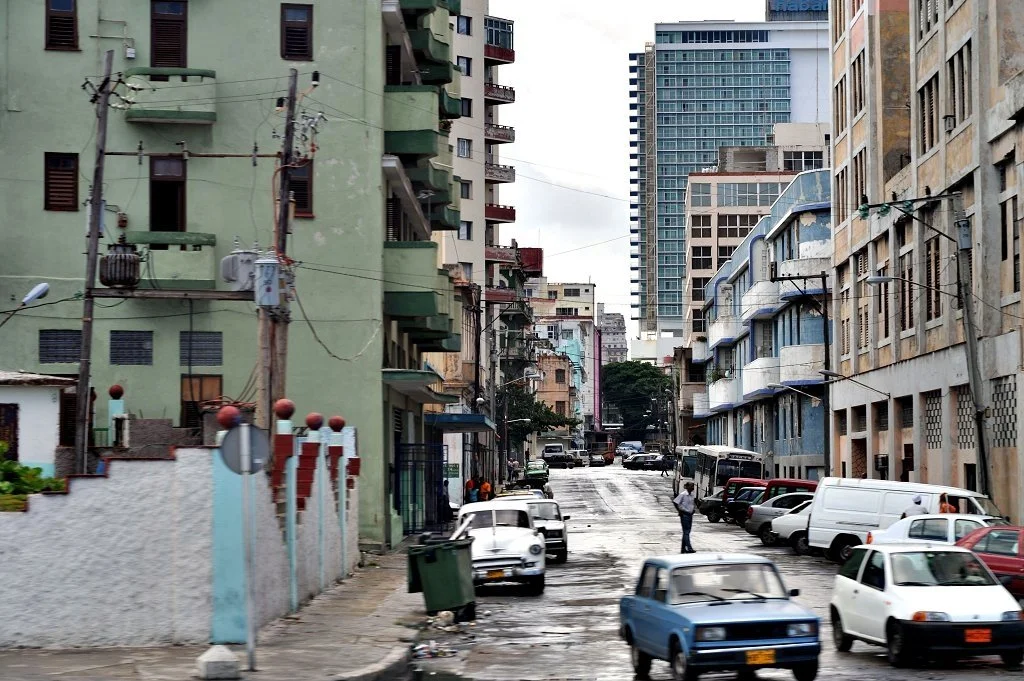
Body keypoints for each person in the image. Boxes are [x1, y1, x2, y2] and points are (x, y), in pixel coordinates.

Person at [673, 481, 696, 553]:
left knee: (686, 532)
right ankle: (689, 548)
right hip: (684, 514)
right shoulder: (683, 494)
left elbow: (691, 504)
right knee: (686, 532)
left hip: (690, 514)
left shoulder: (692, 495)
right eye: (691, 486)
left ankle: (683, 549)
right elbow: (675, 502)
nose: (693, 488)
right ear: (687, 487)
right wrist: (679, 511)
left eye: (693, 486)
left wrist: (693, 510)